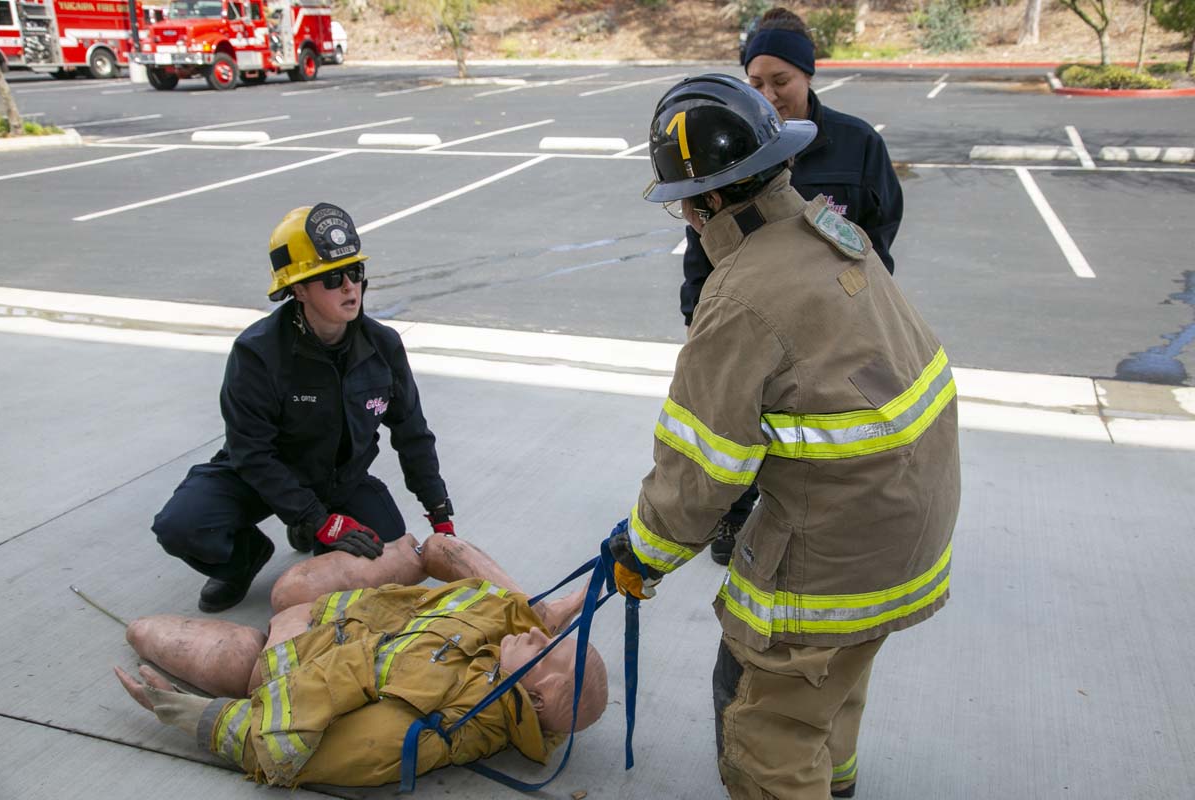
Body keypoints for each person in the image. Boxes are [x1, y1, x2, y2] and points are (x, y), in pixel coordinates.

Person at [610, 75, 959, 800]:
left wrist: (641, 554)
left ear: (708, 201)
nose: (686, 218)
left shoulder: (739, 297)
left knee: (764, 722)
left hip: (840, 551)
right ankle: (836, 783)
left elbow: (701, 471)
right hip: (909, 522)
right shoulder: (832, 233)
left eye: (683, 202)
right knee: (832, 679)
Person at [115, 531, 607, 788]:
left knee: (144, 631)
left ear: (535, 698)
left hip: (277, 657)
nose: (535, 636)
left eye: (544, 646)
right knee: (437, 546)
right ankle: (544, 605)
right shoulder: (506, 658)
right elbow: (462, 572)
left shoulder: (439, 724)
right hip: (333, 616)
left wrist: (188, 713)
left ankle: (238, 655)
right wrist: (536, 610)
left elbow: (297, 749)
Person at [151, 203, 455, 613]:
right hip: (260, 477)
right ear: (298, 290)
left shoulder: (382, 346)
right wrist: (318, 519)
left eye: (356, 273)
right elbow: (251, 453)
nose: (350, 287)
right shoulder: (257, 353)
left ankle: (308, 528)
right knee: (182, 525)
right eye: (331, 278)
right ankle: (244, 559)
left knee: (381, 552)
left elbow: (412, 433)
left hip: (338, 480)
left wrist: (439, 512)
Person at [682, 7, 905, 566]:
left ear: (808, 73)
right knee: (741, 420)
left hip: (833, 332)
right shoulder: (735, 147)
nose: (768, 94)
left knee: (819, 432)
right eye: (755, 82)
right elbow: (702, 243)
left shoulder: (857, 144)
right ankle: (735, 510)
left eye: (780, 80)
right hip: (751, 324)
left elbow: (877, 239)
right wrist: (697, 316)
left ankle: (815, 513)